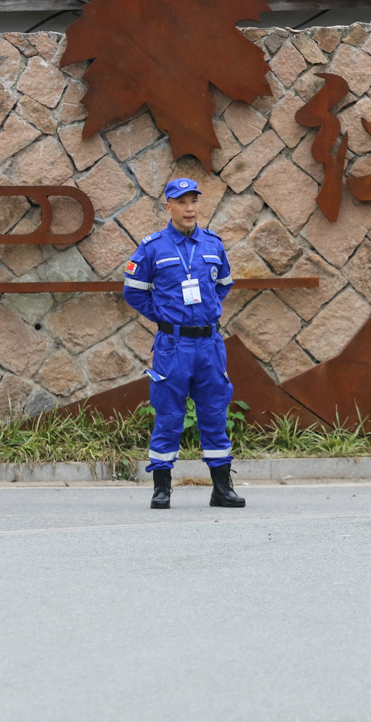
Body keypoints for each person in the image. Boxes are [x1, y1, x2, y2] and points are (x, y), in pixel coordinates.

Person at [122, 178, 245, 510]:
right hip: (173, 346)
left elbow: (223, 284)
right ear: (168, 206)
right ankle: (162, 488)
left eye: (194, 201)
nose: (189, 207)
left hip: (209, 345)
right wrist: (163, 316)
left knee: (214, 412)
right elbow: (133, 291)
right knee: (169, 413)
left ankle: (221, 488)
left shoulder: (213, 244)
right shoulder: (152, 247)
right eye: (181, 201)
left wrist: (204, 313)